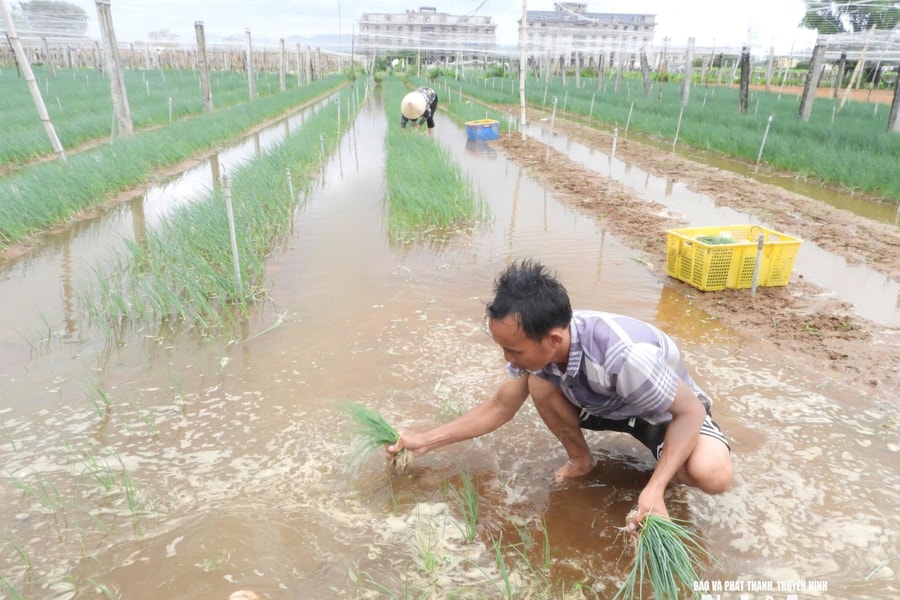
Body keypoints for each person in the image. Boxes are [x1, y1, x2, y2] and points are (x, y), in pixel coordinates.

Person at [386, 259, 733, 533]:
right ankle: (581, 460)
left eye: (514, 351)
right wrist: (426, 441)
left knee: (712, 474)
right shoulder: (540, 353)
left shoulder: (626, 355)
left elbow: (689, 412)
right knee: (539, 383)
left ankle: (661, 479)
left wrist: (656, 486)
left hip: (661, 412)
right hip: (604, 405)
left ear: (552, 339)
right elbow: (499, 407)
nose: (508, 359)